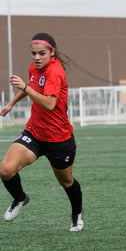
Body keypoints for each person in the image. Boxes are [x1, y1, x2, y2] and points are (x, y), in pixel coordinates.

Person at [0, 33, 84, 231]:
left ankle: (77, 213)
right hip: (35, 133)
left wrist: (26, 87)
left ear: (52, 52)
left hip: (59, 139)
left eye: (42, 53)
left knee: (66, 182)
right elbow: (31, 87)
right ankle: (20, 198)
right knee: (5, 170)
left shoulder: (55, 71)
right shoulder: (35, 68)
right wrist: (12, 103)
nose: (37, 57)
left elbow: (49, 104)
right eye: (34, 53)